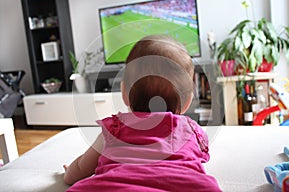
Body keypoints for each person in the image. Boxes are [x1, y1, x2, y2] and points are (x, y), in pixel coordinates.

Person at [63, 35, 221, 191]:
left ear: (124, 93)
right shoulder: (192, 130)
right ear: (187, 102)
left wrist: (69, 171)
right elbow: (200, 157)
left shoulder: (114, 128)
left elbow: (80, 168)